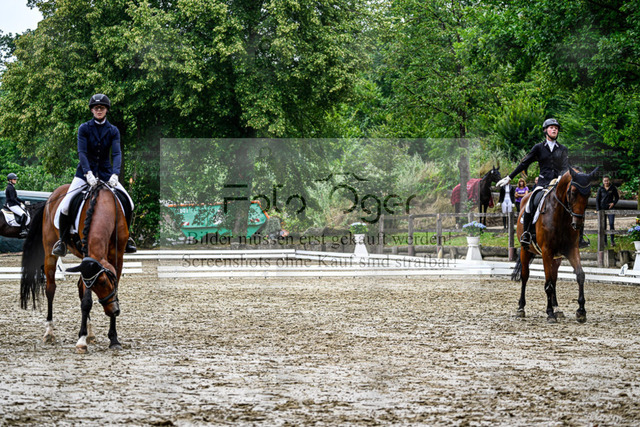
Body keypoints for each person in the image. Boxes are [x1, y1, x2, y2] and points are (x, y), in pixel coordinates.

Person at [52, 94, 137, 256]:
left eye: (102, 108)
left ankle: (126, 238)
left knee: (129, 203)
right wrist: (87, 173)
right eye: (96, 108)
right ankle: (62, 241)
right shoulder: (84, 128)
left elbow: (116, 153)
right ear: (92, 110)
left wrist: (115, 174)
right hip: (84, 174)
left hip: (106, 174)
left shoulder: (113, 130)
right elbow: (82, 152)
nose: (99, 110)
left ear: (106, 110)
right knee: (65, 206)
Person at [497, 118, 587, 248]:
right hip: (543, 183)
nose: (554, 130)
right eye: (551, 128)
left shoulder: (563, 149)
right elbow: (525, 163)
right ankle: (527, 233)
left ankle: (580, 237)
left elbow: (565, 166)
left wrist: (561, 176)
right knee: (531, 203)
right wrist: (510, 177)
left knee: (576, 203)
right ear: (545, 130)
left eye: (556, 128)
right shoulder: (538, 148)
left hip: (558, 183)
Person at [596, 176, 619, 246]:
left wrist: (613, 203)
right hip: (602, 209)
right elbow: (597, 199)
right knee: (604, 225)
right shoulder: (600, 188)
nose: (606, 182)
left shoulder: (613, 188)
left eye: (607, 180)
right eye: (605, 181)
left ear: (609, 181)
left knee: (611, 223)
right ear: (603, 181)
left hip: (610, 208)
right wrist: (598, 209)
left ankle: (612, 241)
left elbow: (617, 197)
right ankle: (605, 242)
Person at [4, 173, 29, 237]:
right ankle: (23, 230)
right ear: (10, 180)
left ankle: (25, 228)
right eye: (14, 179)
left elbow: (16, 197)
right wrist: (20, 204)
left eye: (15, 179)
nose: (15, 180)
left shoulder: (12, 187)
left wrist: (23, 202)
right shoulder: (10, 188)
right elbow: (12, 199)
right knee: (23, 214)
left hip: (13, 204)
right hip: (11, 205)